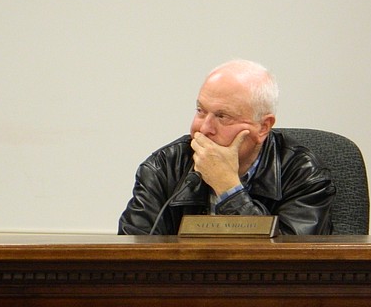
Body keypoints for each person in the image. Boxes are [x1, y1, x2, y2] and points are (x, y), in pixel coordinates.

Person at [117, 59, 335, 235]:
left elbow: (288, 265)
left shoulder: (304, 174)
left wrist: (228, 188)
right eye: (201, 111)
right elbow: (131, 260)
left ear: (263, 127)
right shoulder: (164, 167)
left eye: (222, 116)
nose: (203, 128)